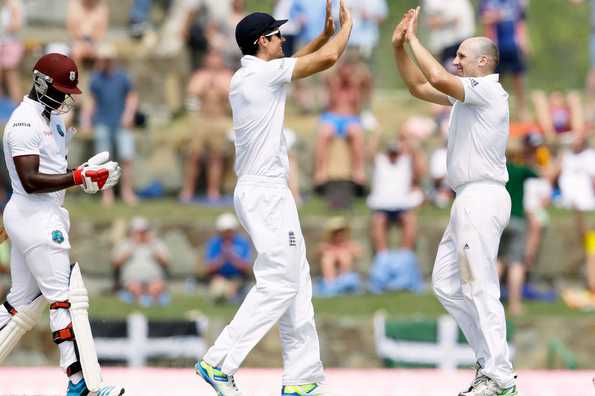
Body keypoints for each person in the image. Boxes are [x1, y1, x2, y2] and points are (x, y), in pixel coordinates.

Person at [196, 1, 353, 395]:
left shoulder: (254, 75)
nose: (284, 39)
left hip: (268, 192)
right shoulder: (260, 79)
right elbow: (329, 59)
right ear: (262, 42)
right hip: (263, 192)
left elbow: (300, 60)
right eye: (278, 35)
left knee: (297, 279)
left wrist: (321, 34)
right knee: (280, 281)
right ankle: (219, 362)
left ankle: (302, 378)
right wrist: (346, 29)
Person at [393, 7, 518, 396]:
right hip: (467, 197)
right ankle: (490, 364)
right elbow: (418, 87)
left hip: (482, 195)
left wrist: (414, 39)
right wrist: (399, 48)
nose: (456, 61)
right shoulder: (467, 98)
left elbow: (435, 75)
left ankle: (500, 375)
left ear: (484, 61)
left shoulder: (489, 90)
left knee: (480, 286)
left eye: (462, 56)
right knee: (446, 284)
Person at [0, 53, 123, 395]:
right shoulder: (24, 121)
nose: (65, 97)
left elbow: (52, 173)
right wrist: (78, 177)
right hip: (34, 213)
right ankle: (81, 383)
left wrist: (83, 175)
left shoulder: (52, 118)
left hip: (41, 212)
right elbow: (28, 181)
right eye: (59, 89)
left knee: (21, 307)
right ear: (39, 83)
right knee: (66, 298)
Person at [81, 43, 139, 206]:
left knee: (127, 158)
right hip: (102, 123)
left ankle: (127, 191)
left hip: (121, 124)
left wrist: (128, 115)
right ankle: (108, 194)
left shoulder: (122, 77)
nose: (104, 62)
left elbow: (132, 97)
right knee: (104, 161)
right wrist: (86, 119)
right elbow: (91, 100)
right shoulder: (96, 79)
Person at [179, 49, 233, 203]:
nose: (214, 61)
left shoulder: (226, 76)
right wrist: (206, 84)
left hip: (220, 120)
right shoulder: (200, 75)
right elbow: (192, 92)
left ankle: (213, 191)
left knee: (216, 157)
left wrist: (218, 85)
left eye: (216, 57)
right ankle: (188, 191)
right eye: (211, 57)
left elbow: (230, 94)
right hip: (202, 119)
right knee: (194, 156)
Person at [314, 53, 370, 188]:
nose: (346, 72)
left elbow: (368, 86)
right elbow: (323, 76)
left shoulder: (357, 83)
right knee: (324, 133)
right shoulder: (333, 81)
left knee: (356, 133)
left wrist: (357, 81)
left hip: (350, 118)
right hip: (332, 117)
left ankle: (358, 170)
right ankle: (321, 171)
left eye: (348, 68)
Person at [497, 138, 539, 316]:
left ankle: (490, 302)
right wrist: (529, 158)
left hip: (499, 219)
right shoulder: (522, 170)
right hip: (517, 218)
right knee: (516, 264)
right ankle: (515, 304)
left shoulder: (498, 170)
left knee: (497, 261)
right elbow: (538, 173)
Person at [367, 132, 425, 254]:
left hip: (402, 206)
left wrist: (412, 145)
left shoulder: (406, 161)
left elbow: (420, 170)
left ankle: (406, 255)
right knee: (378, 221)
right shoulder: (380, 160)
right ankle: (382, 255)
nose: (393, 155)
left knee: (409, 221)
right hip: (381, 206)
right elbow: (370, 151)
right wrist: (376, 135)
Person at [479, 0, 529, 120]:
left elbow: (521, 22)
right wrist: (494, 16)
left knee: (518, 78)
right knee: (496, 80)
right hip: (496, 46)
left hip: (513, 45)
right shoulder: (488, 2)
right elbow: (483, 19)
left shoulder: (516, 2)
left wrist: (524, 41)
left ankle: (522, 109)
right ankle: (495, 110)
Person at [112, 217, 171, 307]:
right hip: (131, 281)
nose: (141, 234)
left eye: (143, 231)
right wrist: (131, 248)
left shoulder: (157, 244)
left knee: (156, 287)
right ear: (131, 231)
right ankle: (141, 304)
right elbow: (115, 264)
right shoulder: (124, 244)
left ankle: (151, 305)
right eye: (138, 231)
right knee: (135, 288)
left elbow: (166, 263)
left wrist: (153, 248)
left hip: (154, 280)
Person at [203, 213, 252, 304]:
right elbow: (209, 268)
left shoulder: (242, 243)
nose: (227, 234)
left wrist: (232, 257)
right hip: (220, 277)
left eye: (229, 231)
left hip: (238, 278)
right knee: (218, 291)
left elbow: (247, 267)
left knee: (235, 288)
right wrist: (222, 258)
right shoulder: (214, 243)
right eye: (225, 231)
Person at [314, 216, 362, 297]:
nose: (339, 235)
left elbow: (358, 252)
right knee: (328, 258)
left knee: (344, 255)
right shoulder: (326, 247)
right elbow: (317, 252)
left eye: (341, 232)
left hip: (348, 279)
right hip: (328, 281)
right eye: (336, 232)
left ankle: (341, 284)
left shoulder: (349, 246)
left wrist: (342, 251)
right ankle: (331, 285)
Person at [423, 0, 475, 69]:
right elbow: (430, 23)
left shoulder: (461, 3)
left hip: (461, 42)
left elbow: (461, 22)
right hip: (444, 46)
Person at [66, 0, 109, 67]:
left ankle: (98, 76)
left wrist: (92, 43)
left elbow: (101, 30)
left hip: (95, 41)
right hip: (78, 40)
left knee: (105, 53)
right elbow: (72, 28)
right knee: (75, 52)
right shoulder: (73, 4)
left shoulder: (102, 7)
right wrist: (83, 42)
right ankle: (75, 75)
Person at [0, 0, 25, 104]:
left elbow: (16, 25)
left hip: (10, 44)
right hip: (4, 43)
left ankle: (18, 108)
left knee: (12, 78)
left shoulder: (15, 4)